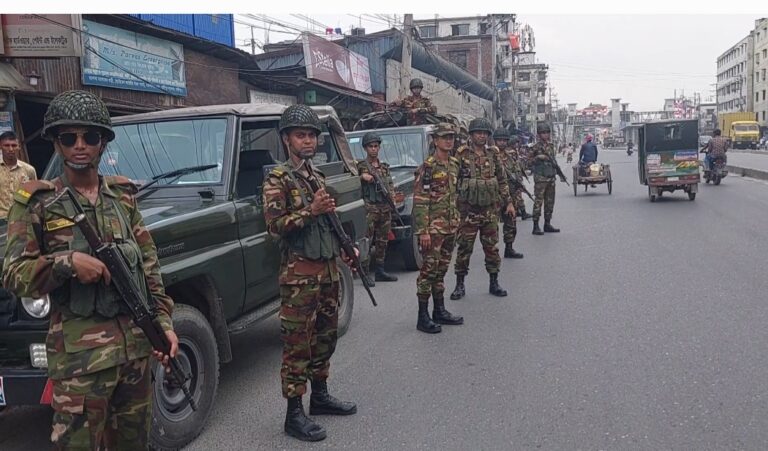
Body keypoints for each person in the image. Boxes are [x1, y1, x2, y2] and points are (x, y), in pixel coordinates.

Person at [2, 90, 178, 449]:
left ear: (103, 144)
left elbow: (149, 270)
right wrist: (66, 264)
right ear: (56, 144)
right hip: (81, 363)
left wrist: (164, 326)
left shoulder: (123, 198)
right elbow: (12, 273)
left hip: (135, 354)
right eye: (69, 138)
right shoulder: (37, 203)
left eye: (90, 137)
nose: (79, 146)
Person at [262, 104, 357, 442]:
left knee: (325, 338)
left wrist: (346, 246)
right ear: (287, 139)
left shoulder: (316, 175)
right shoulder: (278, 179)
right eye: (301, 135)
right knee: (297, 346)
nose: (308, 141)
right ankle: (293, 414)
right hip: (300, 277)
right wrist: (310, 209)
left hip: (328, 271)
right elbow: (275, 226)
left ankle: (320, 397)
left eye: (312, 136)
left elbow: (328, 222)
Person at [450, 118, 515, 300]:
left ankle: (494, 282)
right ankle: (460, 285)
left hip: (489, 211)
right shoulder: (461, 155)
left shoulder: (493, 155)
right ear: (471, 135)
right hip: (468, 212)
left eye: (485, 133)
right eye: (478, 133)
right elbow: (453, 182)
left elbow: (501, 181)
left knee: (492, 248)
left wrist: (509, 202)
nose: (482, 136)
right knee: (464, 249)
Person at [412, 123, 464, 334]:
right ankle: (422, 316)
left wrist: (457, 220)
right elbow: (420, 200)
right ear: (435, 140)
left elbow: (455, 195)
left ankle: (439, 310)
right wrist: (423, 230)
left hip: (450, 227)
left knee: (441, 270)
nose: (448, 140)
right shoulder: (428, 167)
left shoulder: (453, 164)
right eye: (444, 137)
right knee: (428, 272)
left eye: (451, 137)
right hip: (433, 230)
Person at [356, 131, 398, 285]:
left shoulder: (385, 167)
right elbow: (353, 178)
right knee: (367, 241)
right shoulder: (360, 166)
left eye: (376, 146)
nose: (373, 149)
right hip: (370, 209)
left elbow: (390, 185)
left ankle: (380, 270)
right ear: (365, 148)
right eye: (370, 146)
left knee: (382, 241)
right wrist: (362, 177)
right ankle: (365, 273)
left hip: (385, 208)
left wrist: (392, 197)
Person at [530, 122, 567, 235]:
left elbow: (553, 162)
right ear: (539, 135)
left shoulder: (551, 146)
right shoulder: (535, 147)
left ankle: (547, 224)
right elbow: (528, 162)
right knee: (538, 202)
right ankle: (535, 226)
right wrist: (537, 157)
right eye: (543, 133)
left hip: (550, 178)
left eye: (547, 132)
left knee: (550, 202)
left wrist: (559, 174)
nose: (545, 135)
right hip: (540, 179)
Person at [493, 127, 525, 259]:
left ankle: (509, 248)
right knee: (491, 226)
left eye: (504, 140)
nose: (502, 143)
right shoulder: (490, 155)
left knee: (511, 223)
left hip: (510, 195)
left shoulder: (510, 156)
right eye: (499, 140)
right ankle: (492, 252)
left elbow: (517, 173)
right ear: (495, 141)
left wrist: (518, 190)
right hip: (494, 196)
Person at [0, 131, 37, 220]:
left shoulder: (29, 170)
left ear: (19, 147)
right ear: (0, 146)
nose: (11, 149)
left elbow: (35, 196)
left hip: (23, 219)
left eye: (14, 145)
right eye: (6, 145)